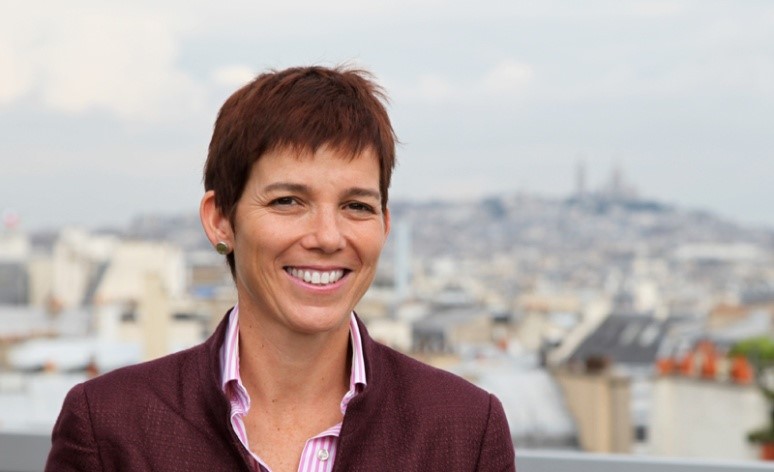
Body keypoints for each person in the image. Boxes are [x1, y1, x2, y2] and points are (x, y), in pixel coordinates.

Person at [45, 65, 515, 471]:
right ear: (220, 220)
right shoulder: (110, 426)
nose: (327, 237)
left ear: (385, 226)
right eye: (288, 201)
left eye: (356, 206)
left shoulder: (463, 430)